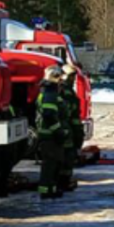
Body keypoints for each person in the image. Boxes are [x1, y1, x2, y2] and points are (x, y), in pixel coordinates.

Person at [36, 66, 68, 199]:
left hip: (50, 136)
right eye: (60, 79)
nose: (62, 82)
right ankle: (46, 191)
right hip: (50, 137)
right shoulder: (50, 95)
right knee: (49, 165)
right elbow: (49, 115)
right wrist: (58, 132)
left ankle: (51, 190)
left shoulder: (50, 93)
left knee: (53, 164)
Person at [60, 64, 84, 190]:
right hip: (66, 128)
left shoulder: (67, 89)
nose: (73, 79)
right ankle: (63, 182)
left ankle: (64, 181)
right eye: (71, 76)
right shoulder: (64, 91)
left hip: (70, 127)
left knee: (69, 155)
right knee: (66, 156)